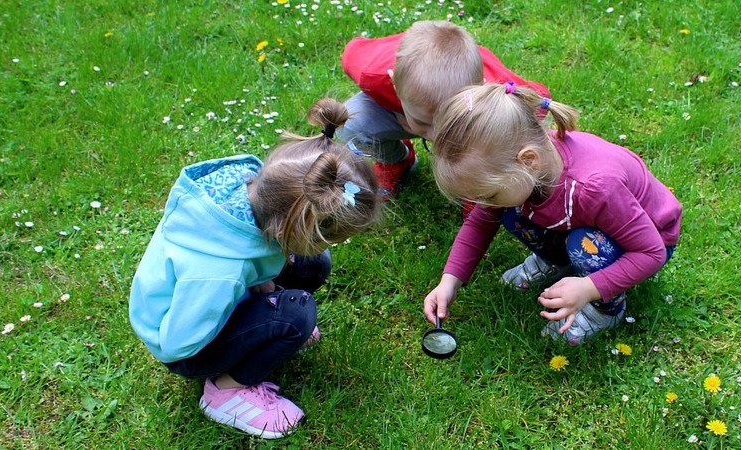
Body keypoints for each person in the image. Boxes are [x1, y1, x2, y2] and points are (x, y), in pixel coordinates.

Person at [129, 98, 379, 438]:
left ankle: (263, 327)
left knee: (313, 265)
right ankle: (226, 391)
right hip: (184, 340)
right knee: (297, 316)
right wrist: (242, 306)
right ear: (298, 228)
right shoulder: (217, 273)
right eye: (329, 238)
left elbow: (250, 257)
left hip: (218, 289)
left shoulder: (255, 193)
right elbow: (175, 344)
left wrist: (257, 283)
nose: (332, 246)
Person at [423, 82, 682, 345]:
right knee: (510, 212)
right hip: (588, 219)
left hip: (649, 240)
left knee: (583, 243)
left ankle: (605, 311)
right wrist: (449, 281)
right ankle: (558, 262)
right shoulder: (523, 166)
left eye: (488, 195)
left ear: (528, 161)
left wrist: (588, 288)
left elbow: (651, 253)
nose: (482, 204)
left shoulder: (595, 189)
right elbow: (480, 222)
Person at [338, 20, 550, 207]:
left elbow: (538, 103)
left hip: (471, 112)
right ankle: (397, 160)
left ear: (480, 88)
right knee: (350, 121)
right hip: (397, 110)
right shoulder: (372, 73)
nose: (436, 136)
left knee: (495, 136)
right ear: (394, 83)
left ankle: (473, 178)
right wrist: (398, 112)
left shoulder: (495, 89)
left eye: (448, 123)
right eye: (425, 123)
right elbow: (351, 52)